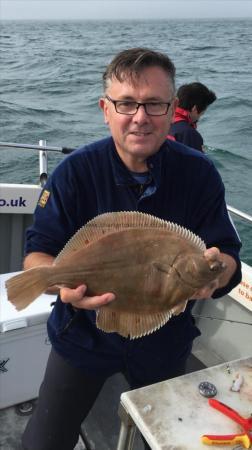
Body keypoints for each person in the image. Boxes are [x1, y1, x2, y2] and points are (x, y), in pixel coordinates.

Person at [22, 48, 241, 450]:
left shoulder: (199, 172)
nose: (140, 116)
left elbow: (226, 254)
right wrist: (59, 285)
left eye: (154, 104)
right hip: (82, 334)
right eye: (126, 103)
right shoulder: (74, 172)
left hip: (165, 338)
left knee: (164, 440)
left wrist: (217, 271)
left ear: (172, 108)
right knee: (42, 442)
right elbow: (38, 254)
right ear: (106, 109)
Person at [168, 82, 216, 151]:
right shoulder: (189, 134)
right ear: (195, 109)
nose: (200, 117)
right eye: (202, 112)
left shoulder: (163, 122)